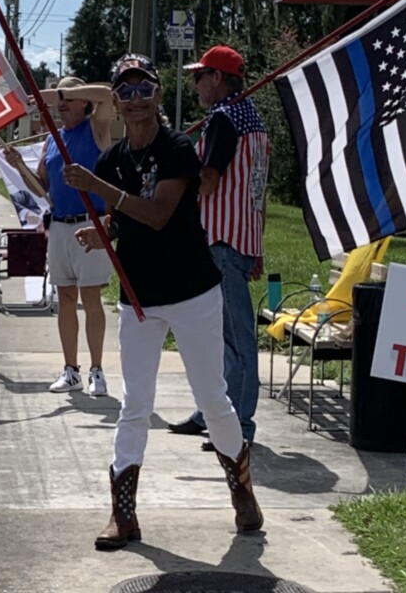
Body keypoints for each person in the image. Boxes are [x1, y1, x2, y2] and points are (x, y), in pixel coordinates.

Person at [65, 53, 263, 550]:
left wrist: (96, 188)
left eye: (144, 89)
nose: (135, 100)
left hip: (193, 291)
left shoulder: (178, 150)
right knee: (135, 403)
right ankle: (123, 514)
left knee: (213, 398)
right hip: (139, 297)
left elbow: (157, 213)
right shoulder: (112, 161)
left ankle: (241, 489)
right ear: (115, 99)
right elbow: (126, 218)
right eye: (125, 91)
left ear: (157, 95)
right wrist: (103, 228)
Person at [167, 45, 269, 449]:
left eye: (200, 76)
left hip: (222, 240)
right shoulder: (252, 120)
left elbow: (209, 181)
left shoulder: (226, 119)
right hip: (239, 238)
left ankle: (239, 425)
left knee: (234, 338)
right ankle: (213, 412)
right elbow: (256, 189)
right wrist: (257, 247)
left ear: (219, 78)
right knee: (214, 336)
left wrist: (176, 193)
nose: (195, 85)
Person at [2, 76, 115, 396]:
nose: (62, 103)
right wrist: (19, 167)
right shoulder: (53, 138)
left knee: (91, 297)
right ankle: (71, 370)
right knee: (65, 299)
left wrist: (65, 90)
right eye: (60, 98)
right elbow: (44, 191)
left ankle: (97, 370)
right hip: (61, 224)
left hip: (90, 223)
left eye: (70, 96)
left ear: (83, 102)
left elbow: (107, 95)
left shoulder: (96, 128)